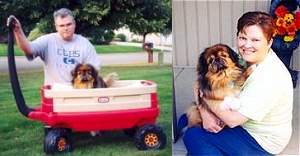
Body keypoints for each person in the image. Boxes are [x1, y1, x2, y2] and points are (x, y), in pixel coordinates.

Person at [178, 11, 293, 155]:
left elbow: (232, 120)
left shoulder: (271, 77)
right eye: (242, 38)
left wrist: (206, 98)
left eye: (255, 40)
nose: (247, 45)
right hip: (237, 121)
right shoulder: (235, 54)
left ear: (269, 42)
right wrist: (204, 112)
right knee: (186, 119)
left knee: (193, 133)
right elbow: (198, 83)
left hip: (259, 140)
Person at [7, 8, 100, 85]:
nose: (66, 28)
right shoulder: (48, 40)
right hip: (54, 94)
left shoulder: (85, 44)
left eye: (69, 24)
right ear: (56, 26)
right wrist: (18, 31)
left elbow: (94, 71)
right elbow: (29, 49)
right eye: (62, 25)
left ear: (74, 24)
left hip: (76, 92)